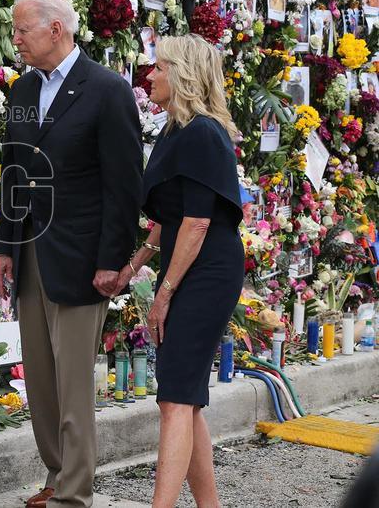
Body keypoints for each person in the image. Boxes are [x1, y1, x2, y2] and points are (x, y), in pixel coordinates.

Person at [0, 0, 142, 508]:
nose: (15, 40)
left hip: (82, 258)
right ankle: (56, 476)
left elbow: (123, 186)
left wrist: (113, 262)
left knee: (74, 383)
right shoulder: (22, 89)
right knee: (40, 380)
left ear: (56, 29)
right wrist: (4, 247)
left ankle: (73, 495)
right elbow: (13, 172)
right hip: (31, 253)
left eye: (21, 30)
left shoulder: (107, 90)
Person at [119, 34, 244, 508]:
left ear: (184, 74)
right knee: (184, 397)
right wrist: (135, 265)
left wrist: (164, 292)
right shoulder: (178, 130)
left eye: (159, 67)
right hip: (188, 264)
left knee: (175, 397)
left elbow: (197, 222)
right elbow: (170, 219)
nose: (150, 75)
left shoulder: (202, 133)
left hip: (206, 271)